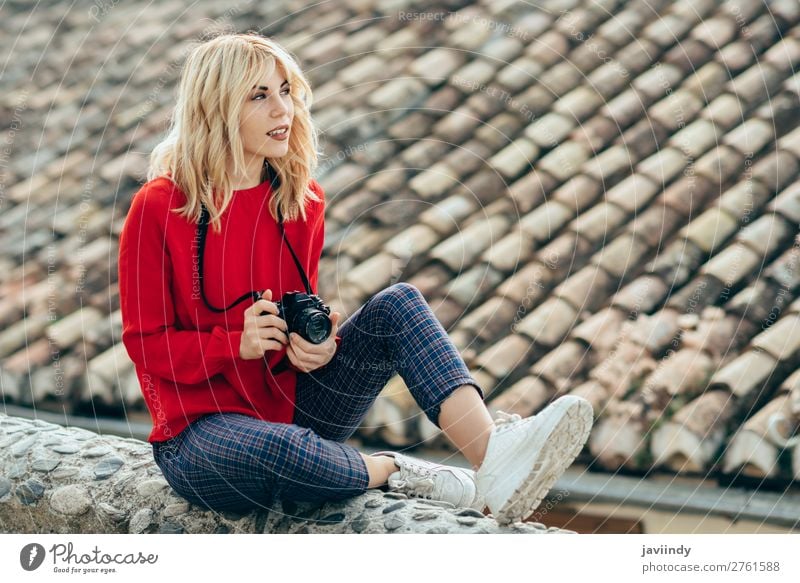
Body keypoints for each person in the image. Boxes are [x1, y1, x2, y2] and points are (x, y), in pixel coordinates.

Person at [117, 31, 593, 526]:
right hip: (199, 436)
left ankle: (491, 455)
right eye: (259, 96)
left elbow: (299, 308)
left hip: (292, 404)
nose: (284, 110)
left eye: (286, 91)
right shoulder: (160, 207)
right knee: (284, 451)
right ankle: (396, 470)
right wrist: (233, 343)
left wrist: (315, 348)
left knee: (399, 305)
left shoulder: (301, 202)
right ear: (215, 108)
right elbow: (145, 345)